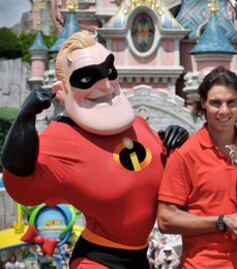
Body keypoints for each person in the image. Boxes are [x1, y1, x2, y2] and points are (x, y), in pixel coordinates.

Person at [2, 31, 188, 268]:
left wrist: (175, 141)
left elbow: (170, 176)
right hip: (98, 259)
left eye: (108, 70)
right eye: (87, 77)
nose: (105, 84)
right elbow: (20, 185)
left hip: (141, 258)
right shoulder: (61, 138)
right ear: (62, 89)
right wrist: (24, 119)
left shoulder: (138, 126)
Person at [157, 66, 237, 268]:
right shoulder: (185, 154)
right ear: (203, 104)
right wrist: (222, 221)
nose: (224, 110)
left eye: (231, 102)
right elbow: (165, 219)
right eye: (216, 103)